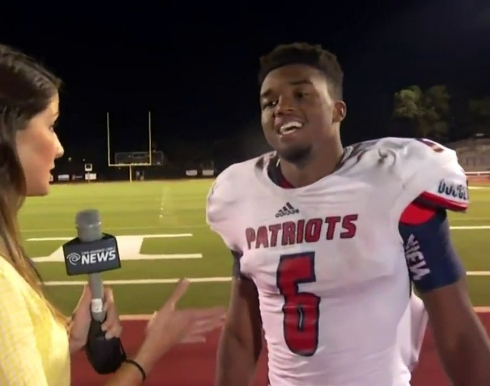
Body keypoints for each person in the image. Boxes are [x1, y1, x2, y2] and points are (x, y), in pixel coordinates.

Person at [0, 41, 225, 386]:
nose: (59, 147)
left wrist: (68, 337)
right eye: (50, 125)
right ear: (0, 136)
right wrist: (150, 351)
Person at [207, 42, 490, 385]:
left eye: (301, 95)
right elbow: (241, 331)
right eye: (270, 102)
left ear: (338, 110)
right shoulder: (242, 195)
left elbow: (457, 328)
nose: (281, 108)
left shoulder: (393, 180)